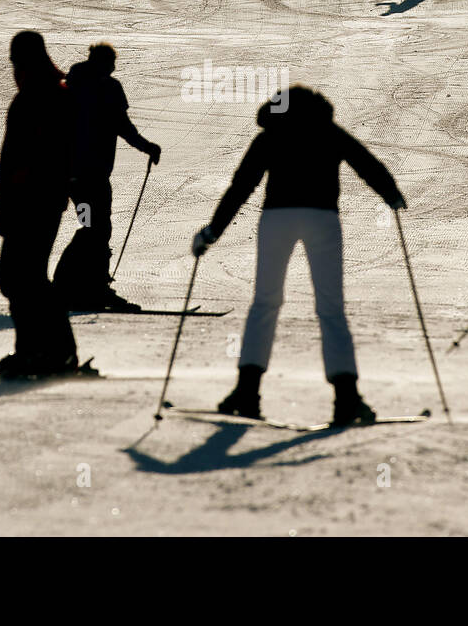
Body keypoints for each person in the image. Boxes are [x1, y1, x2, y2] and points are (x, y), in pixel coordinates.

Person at [191, 86, 406, 426]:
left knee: (265, 301)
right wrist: (391, 194)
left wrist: (212, 231)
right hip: (322, 217)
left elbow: (242, 185)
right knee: (330, 308)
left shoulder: (271, 135)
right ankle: (346, 399)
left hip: (278, 217)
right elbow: (365, 162)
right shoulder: (328, 130)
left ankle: (247, 393)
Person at [0, 31, 80, 378]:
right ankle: (46, 351)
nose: (13, 67)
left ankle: (46, 352)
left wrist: (8, 201)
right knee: (23, 278)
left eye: (15, 60)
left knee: (20, 277)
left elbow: (23, 157)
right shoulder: (50, 94)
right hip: (40, 200)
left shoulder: (40, 97)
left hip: (33, 201)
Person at [52, 43, 161, 312]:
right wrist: (147, 146)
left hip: (74, 177)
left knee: (93, 227)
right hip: (92, 176)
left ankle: (79, 286)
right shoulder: (107, 88)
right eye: (111, 62)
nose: (113, 67)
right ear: (103, 62)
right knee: (96, 229)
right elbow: (122, 126)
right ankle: (83, 286)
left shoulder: (70, 86)